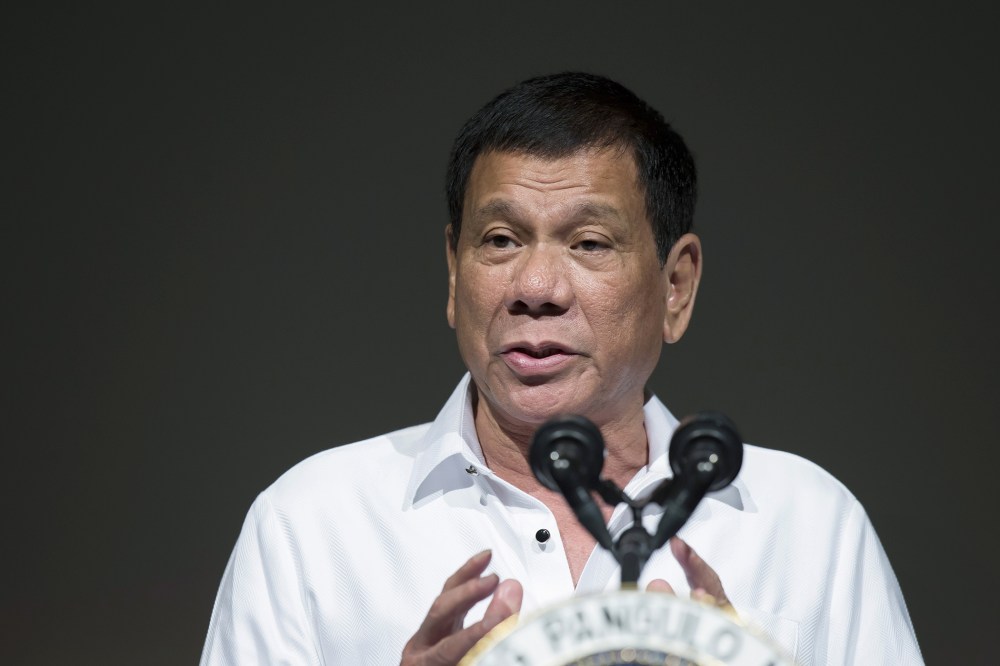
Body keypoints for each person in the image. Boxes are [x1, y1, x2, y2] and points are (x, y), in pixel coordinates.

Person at [201, 72, 922, 665]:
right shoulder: (310, 526)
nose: (535, 287)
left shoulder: (809, 526)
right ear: (453, 274)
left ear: (676, 286)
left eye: (588, 243)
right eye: (502, 239)